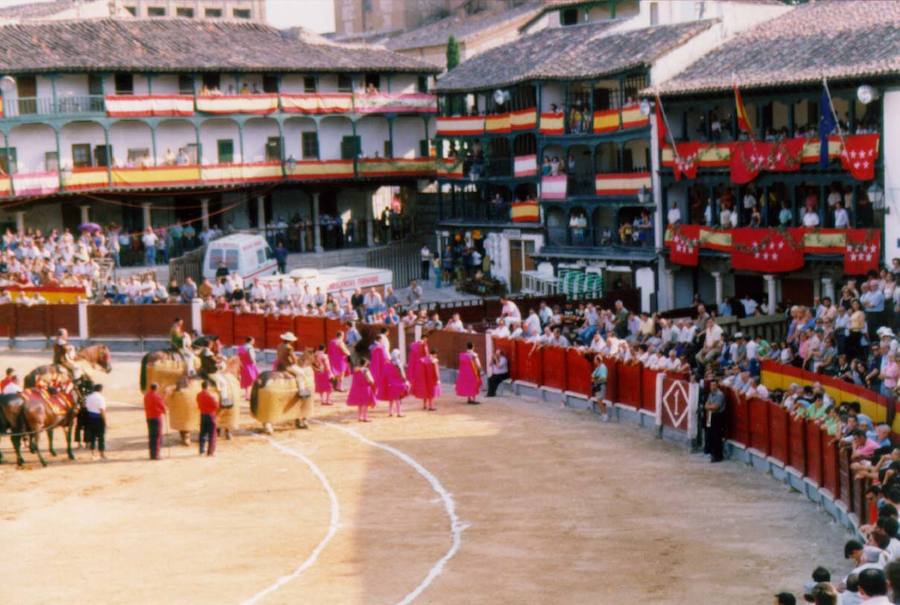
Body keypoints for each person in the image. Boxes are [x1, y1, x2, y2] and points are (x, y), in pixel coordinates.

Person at [347, 358, 376, 422]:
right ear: (365, 363)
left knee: (360, 404)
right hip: (365, 388)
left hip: (357, 388)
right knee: (365, 403)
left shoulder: (355, 370)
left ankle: (360, 417)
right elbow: (370, 379)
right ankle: (365, 417)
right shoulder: (366, 370)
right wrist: (373, 383)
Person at [143, 382, 167, 461]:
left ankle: (152, 454)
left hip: (149, 417)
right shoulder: (157, 396)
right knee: (157, 436)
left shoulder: (146, 396)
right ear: (156, 388)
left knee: (151, 436)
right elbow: (162, 406)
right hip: (156, 417)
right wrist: (165, 410)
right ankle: (156, 454)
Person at [704, 379, 726, 462]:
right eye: (711, 385)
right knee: (711, 435)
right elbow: (706, 404)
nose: (712, 387)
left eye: (714, 385)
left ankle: (717, 456)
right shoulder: (711, 394)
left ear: (717, 386)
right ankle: (712, 453)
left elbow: (716, 407)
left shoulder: (720, 394)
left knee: (716, 436)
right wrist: (709, 407)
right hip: (711, 416)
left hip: (717, 417)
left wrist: (709, 407)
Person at [383, 349, 410, 417]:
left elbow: (385, 373)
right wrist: (405, 380)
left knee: (391, 398)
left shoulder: (388, 363)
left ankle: (390, 412)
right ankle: (399, 412)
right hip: (398, 382)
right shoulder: (398, 363)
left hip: (390, 382)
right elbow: (402, 373)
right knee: (398, 398)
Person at [84, 384, 107, 460]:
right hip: (98, 418)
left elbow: (86, 406)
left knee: (92, 437)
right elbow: (102, 410)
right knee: (101, 437)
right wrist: (105, 420)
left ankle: (93, 453)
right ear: (101, 390)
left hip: (90, 417)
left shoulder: (89, 397)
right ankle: (102, 453)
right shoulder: (101, 398)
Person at [196, 380, 219, 456]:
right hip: (211, 415)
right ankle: (210, 452)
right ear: (208, 387)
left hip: (203, 415)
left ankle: (201, 450)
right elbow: (216, 405)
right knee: (212, 434)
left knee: (202, 433)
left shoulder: (199, 395)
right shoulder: (210, 395)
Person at [591, 355, 609, 421]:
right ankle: (603, 414)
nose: (594, 361)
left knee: (600, 400)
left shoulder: (602, 367)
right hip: (597, 385)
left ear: (598, 360)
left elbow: (603, 378)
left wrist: (595, 380)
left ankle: (605, 415)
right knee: (599, 400)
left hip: (601, 385)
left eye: (595, 360)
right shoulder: (598, 367)